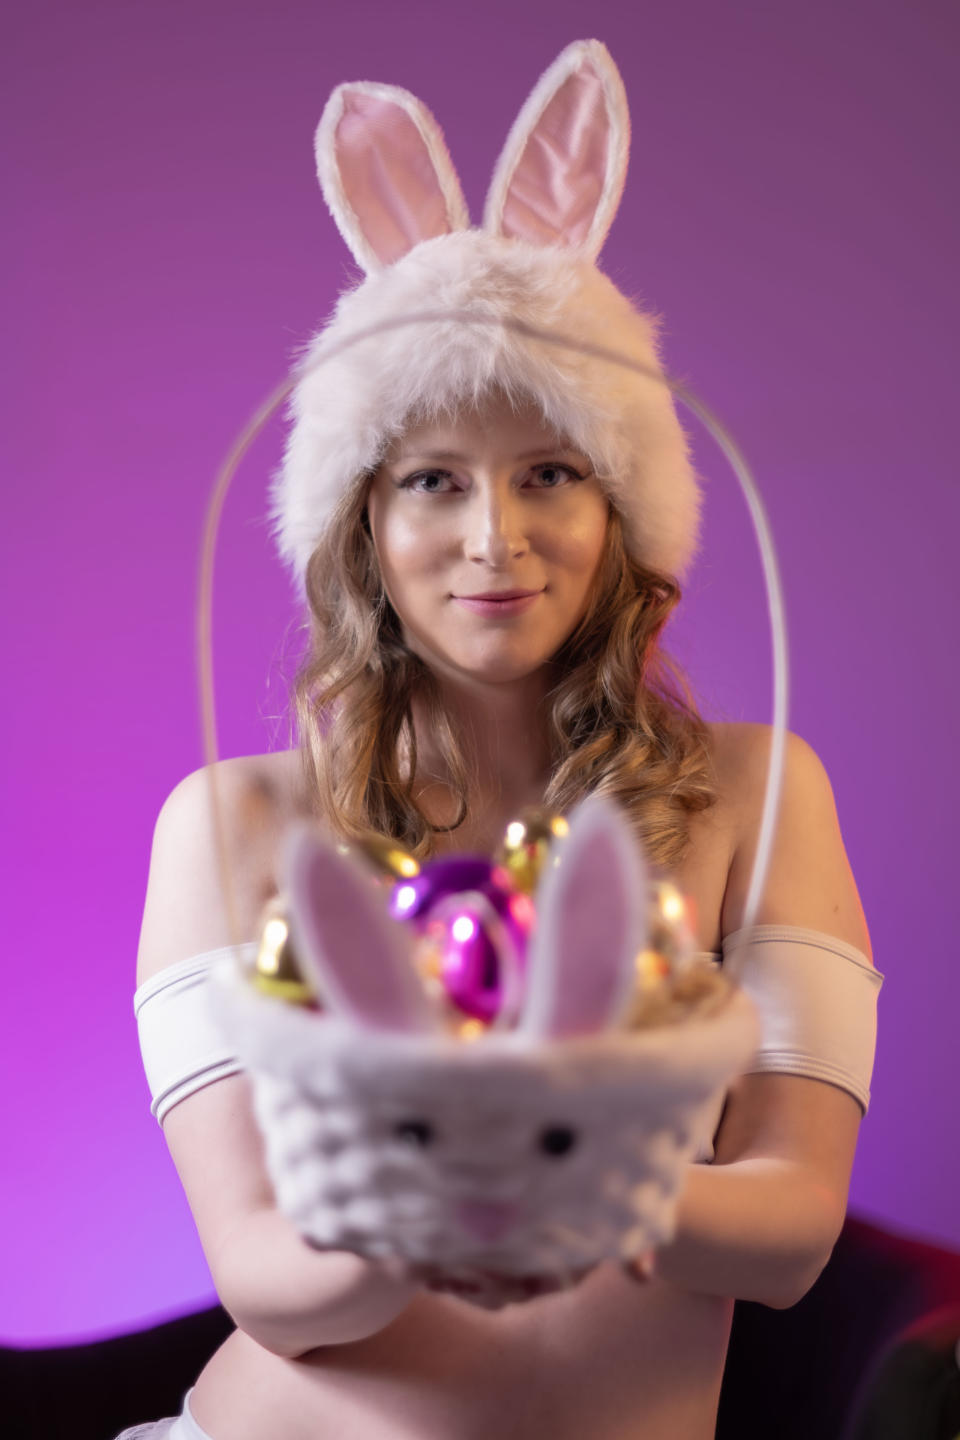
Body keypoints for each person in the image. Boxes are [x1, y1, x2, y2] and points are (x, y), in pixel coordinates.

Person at [124, 39, 883, 1440]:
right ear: (361, 521)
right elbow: (272, 1284)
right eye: (432, 480)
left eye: (548, 473)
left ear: (621, 511)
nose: (495, 538)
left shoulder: (756, 796)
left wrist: (557, 1173)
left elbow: (787, 1237)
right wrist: (480, 1186)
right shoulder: (232, 825)